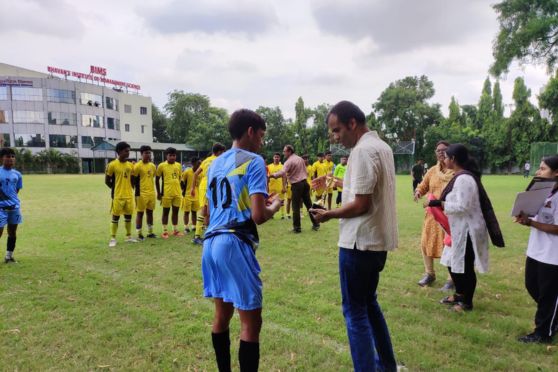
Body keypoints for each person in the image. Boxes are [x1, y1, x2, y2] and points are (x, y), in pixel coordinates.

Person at [310, 101, 398, 372]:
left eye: (337, 130)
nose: (335, 138)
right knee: (369, 304)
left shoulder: (361, 151)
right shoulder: (382, 147)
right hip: (376, 243)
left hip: (358, 243)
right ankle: (386, 366)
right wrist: (337, 183)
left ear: (352, 123)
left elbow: (361, 204)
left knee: (355, 311)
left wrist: (329, 214)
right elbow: (367, 189)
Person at [202, 109, 281, 372]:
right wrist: (276, 206)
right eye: (261, 135)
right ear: (250, 131)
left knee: (221, 315)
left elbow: (207, 210)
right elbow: (259, 216)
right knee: (251, 322)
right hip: (234, 243)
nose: (262, 141)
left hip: (211, 243)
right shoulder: (255, 161)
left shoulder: (214, 163)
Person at [428, 144, 504, 312]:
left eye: (446, 157)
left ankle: (466, 302)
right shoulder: (461, 176)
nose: (444, 159)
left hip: (468, 229)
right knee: (451, 261)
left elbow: (463, 206)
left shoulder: (464, 179)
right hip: (459, 229)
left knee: (465, 266)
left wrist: (440, 203)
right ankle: (459, 294)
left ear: (453, 159)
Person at [515, 155, 558, 344]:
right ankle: (552, 318)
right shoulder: (542, 192)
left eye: (543, 169)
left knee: (548, 296)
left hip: (553, 255)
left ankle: (543, 333)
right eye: (539, 168)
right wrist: (525, 216)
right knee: (532, 285)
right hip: (536, 250)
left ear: (556, 173)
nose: (538, 172)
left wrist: (531, 223)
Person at [413, 141, 455, 289]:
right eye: (438, 150)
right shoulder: (431, 171)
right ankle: (429, 274)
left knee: (450, 246)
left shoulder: (456, 172)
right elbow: (423, 185)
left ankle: (452, 279)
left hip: (450, 215)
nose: (440, 153)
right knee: (426, 242)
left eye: (444, 150)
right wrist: (418, 192)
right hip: (432, 216)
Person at [270, 145, 320, 233]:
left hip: (297, 185)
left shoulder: (288, 162)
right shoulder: (300, 159)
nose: (283, 153)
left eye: (284, 151)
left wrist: (272, 175)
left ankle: (297, 228)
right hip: (305, 183)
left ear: (289, 151)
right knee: (309, 205)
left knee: (295, 207)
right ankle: (316, 223)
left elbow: (282, 172)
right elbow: (305, 171)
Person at [191, 143, 226, 245]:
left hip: (204, 185)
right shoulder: (219, 160)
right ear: (219, 152)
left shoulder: (206, 160)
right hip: (210, 186)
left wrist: (192, 188)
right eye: (223, 152)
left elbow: (195, 174)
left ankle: (207, 234)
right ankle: (197, 236)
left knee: (208, 211)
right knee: (205, 210)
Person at [105, 141, 137, 247]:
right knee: (115, 217)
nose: (128, 153)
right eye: (126, 151)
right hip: (118, 196)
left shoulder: (130, 165)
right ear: (119, 151)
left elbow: (132, 179)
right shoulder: (112, 164)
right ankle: (113, 238)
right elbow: (107, 180)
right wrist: (115, 189)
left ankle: (128, 236)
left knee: (128, 217)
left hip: (129, 195)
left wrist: (131, 188)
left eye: (129, 151)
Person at [0, 148, 23, 263]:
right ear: (1, 158)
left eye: (13, 156)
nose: (11, 159)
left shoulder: (17, 174)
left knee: (12, 232)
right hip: (0, 209)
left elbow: (16, 190)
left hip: (14, 208)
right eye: (8, 156)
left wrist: (11, 201)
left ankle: (9, 256)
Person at [156, 147, 183, 238]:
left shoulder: (179, 165)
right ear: (166, 156)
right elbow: (157, 179)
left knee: (175, 212)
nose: (172, 157)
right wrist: (159, 193)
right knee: (166, 212)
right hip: (166, 193)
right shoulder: (161, 166)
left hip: (177, 193)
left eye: (174, 155)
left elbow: (179, 178)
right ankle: (165, 231)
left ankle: (175, 230)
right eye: (170, 155)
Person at [133, 145, 157, 240]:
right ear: (141, 154)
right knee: (140, 213)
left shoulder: (152, 166)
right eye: (146, 153)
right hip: (141, 193)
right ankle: (139, 234)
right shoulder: (137, 166)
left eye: (149, 153)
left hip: (151, 193)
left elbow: (152, 177)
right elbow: (133, 180)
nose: (148, 155)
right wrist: (137, 191)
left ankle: (150, 232)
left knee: (150, 212)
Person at [181, 157, 201, 234]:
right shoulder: (187, 172)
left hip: (196, 195)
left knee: (194, 212)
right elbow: (182, 182)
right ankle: (186, 227)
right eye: (198, 163)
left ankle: (194, 226)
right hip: (187, 195)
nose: (200, 165)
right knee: (186, 212)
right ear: (193, 164)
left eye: (200, 163)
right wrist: (183, 191)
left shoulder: (200, 173)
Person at [267, 153, 287, 219]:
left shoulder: (282, 166)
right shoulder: (269, 166)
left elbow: (284, 177)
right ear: (273, 158)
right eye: (275, 157)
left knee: (281, 201)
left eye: (278, 157)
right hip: (271, 187)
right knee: (270, 201)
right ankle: (271, 215)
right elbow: (267, 177)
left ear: (280, 158)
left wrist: (284, 187)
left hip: (280, 186)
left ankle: (282, 215)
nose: (276, 158)